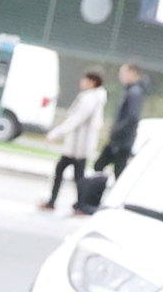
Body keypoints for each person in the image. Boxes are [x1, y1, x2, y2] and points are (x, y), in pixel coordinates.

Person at [41, 65, 109, 210]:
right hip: (79, 146)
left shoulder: (89, 99)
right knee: (71, 174)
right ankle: (69, 203)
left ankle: (78, 204)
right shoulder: (94, 98)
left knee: (76, 176)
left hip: (78, 146)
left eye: (85, 79)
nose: (82, 82)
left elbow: (75, 120)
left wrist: (56, 133)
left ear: (93, 82)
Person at [84, 62, 147, 210]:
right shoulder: (132, 91)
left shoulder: (134, 92)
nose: (121, 76)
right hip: (121, 140)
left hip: (121, 141)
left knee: (105, 169)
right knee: (113, 172)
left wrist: (117, 133)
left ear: (133, 73)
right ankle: (98, 202)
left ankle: (94, 203)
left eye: (123, 72)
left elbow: (132, 117)